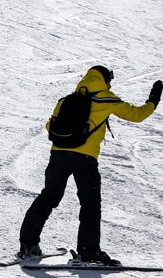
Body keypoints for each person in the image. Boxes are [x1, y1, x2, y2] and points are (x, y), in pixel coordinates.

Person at [18, 65, 162, 265]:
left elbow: (50, 125)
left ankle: (28, 244)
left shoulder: (65, 100)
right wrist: (153, 100)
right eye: (109, 80)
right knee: (90, 203)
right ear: (104, 80)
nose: (110, 84)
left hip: (58, 155)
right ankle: (89, 251)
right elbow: (137, 115)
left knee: (48, 197)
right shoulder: (106, 98)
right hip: (85, 159)